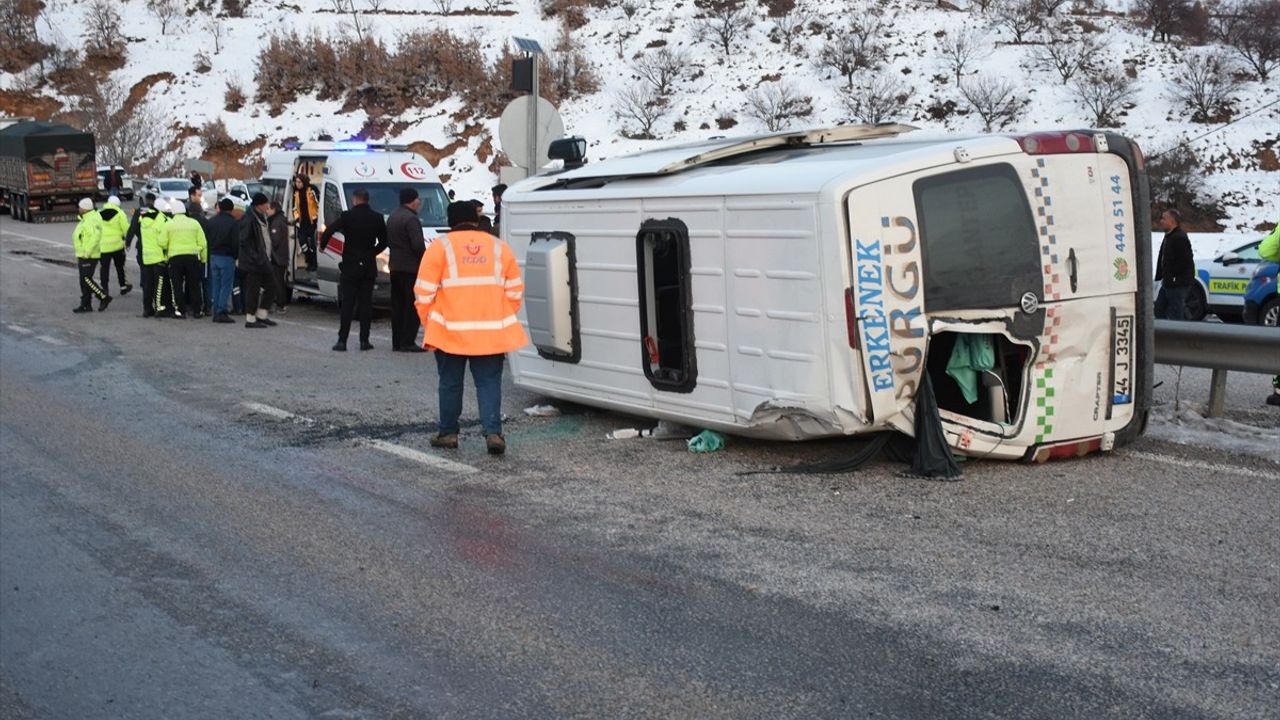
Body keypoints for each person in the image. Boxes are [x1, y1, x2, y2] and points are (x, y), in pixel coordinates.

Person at [415, 201, 528, 455]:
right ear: (476, 222)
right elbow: (514, 290)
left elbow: (423, 292)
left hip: (449, 332)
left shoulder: (439, 248)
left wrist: (430, 321)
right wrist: (499, 315)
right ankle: (493, 433)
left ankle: (448, 433)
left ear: (451, 221)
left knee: (450, 383)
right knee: (489, 383)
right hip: (491, 333)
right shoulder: (499, 247)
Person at [320, 188, 388, 351]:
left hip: (350, 266)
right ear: (367, 200)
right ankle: (364, 340)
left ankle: (342, 340)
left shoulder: (347, 216)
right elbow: (384, 241)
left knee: (348, 304)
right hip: (368, 267)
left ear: (355, 200)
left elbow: (329, 230)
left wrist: (323, 245)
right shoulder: (377, 218)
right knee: (366, 304)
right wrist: (371, 253)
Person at [387, 187, 428, 352]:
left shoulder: (393, 216)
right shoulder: (411, 219)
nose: (419, 202)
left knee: (397, 305)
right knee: (411, 305)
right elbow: (417, 244)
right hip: (411, 267)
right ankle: (408, 341)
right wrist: (425, 260)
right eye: (417, 199)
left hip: (395, 266)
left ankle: (396, 341)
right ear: (411, 200)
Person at [238, 192, 279, 329]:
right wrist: (255, 257)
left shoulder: (261, 217)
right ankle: (250, 319)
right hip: (254, 262)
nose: (268, 205)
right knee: (253, 290)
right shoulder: (249, 219)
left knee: (272, 285)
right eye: (266, 203)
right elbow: (244, 241)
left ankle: (262, 314)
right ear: (259, 205)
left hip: (264, 259)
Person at [163, 202, 208, 319]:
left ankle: (180, 311)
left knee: (177, 285)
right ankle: (197, 310)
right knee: (194, 285)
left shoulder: (169, 224)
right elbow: (203, 243)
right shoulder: (194, 223)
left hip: (175, 258)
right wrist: (203, 258)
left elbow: (162, 242)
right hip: (192, 257)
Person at [1154, 209, 1194, 321]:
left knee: (1177, 311)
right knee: (1159, 309)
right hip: (1168, 282)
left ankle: (1184, 333)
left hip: (1177, 283)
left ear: (1172, 221)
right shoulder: (1169, 236)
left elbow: (1185, 261)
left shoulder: (1180, 238)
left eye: (1163, 218)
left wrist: (1174, 278)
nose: (1161, 221)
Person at [72, 198, 110, 313]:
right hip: (84, 254)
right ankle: (86, 304)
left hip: (89, 255)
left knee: (86, 279)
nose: (79, 209)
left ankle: (103, 296)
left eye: (80, 207)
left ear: (85, 209)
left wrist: (87, 253)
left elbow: (95, 238)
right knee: (83, 281)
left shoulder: (91, 220)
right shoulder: (86, 219)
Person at [205, 197, 240, 323]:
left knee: (216, 285)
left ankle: (215, 311)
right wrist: (236, 256)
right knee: (226, 286)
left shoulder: (211, 221)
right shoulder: (234, 223)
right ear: (231, 209)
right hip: (227, 257)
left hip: (213, 256)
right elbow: (236, 242)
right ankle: (221, 311)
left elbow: (207, 240)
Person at [138, 197, 173, 318]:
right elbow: (165, 239)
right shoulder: (163, 220)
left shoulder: (143, 218)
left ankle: (147, 308)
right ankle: (160, 308)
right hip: (159, 257)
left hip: (147, 257)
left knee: (148, 284)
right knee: (160, 285)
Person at [97, 194, 133, 297]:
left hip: (103, 247)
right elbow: (126, 228)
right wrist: (127, 240)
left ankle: (104, 289)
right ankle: (123, 286)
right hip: (117, 246)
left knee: (104, 269)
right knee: (120, 267)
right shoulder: (120, 213)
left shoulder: (99, 213)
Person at [291, 174, 320, 271]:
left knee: (313, 245)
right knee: (303, 243)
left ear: (304, 182)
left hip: (313, 222)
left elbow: (318, 203)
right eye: (296, 182)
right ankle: (309, 260)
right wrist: (297, 219)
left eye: (299, 182)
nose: (297, 184)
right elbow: (294, 208)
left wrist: (318, 218)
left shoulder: (311, 190)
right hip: (302, 223)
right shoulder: (296, 193)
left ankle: (314, 264)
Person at [269, 200, 291, 312]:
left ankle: (280, 304)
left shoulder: (276, 223)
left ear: (274, 209)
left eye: (269, 209)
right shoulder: (282, 220)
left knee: (277, 282)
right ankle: (281, 303)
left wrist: (268, 247)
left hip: (277, 257)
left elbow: (275, 240)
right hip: (283, 256)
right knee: (280, 281)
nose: (268, 211)